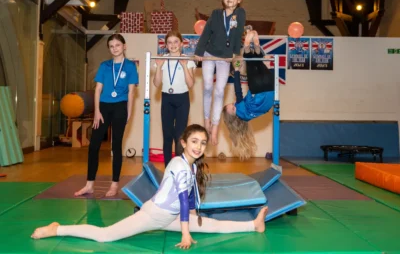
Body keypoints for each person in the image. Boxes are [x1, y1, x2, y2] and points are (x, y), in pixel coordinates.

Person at [31, 124, 269, 250]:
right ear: (183, 143)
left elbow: (190, 199)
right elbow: (184, 200)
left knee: (211, 225)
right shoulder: (179, 164)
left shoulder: (193, 166)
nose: (198, 147)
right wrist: (186, 232)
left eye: (203, 143)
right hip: (154, 215)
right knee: (105, 236)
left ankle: (253, 224)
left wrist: (194, 220)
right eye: (194, 141)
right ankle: (58, 229)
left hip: (170, 216)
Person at [74, 34, 139, 197]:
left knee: (116, 146)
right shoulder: (105, 66)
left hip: (120, 107)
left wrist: (129, 112)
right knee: (94, 145)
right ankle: (89, 184)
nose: (114, 48)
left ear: (124, 46)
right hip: (103, 107)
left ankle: (114, 185)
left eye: (117, 45)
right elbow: (97, 89)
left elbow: (131, 92)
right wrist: (96, 111)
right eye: (111, 46)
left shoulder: (130, 66)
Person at [194, 0, 246, 145]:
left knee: (219, 91)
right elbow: (206, 33)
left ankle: (215, 128)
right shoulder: (216, 14)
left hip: (225, 58)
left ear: (239, 0)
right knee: (208, 86)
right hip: (210, 53)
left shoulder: (240, 14)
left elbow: (237, 35)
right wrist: (199, 52)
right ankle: (206, 120)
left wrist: (236, 55)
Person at [222, 30, 274, 160]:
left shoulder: (245, 118)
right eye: (233, 106)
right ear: (233, 116)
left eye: (232, 104)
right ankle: (248, 47)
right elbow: (238, 89)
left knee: (259, 63)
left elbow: (263, 108)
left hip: (271, 89)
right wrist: (237, 71)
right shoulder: (240, 110)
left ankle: (256, 47)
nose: (235, 104)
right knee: (252, 63)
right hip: (257, 88)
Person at [153, 30, 196, 167]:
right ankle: (167, 169)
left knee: (179, 136)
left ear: (181, 44)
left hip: (182, 99)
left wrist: (184, 66)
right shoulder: (162, 59)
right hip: (167, 99)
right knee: (167, 136)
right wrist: (159, 67)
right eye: (169, 42)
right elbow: (156, 83)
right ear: (166, 45)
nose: (173, 45)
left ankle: (178, 168)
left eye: (176, 41)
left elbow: (190, 84)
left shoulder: (188, 60)